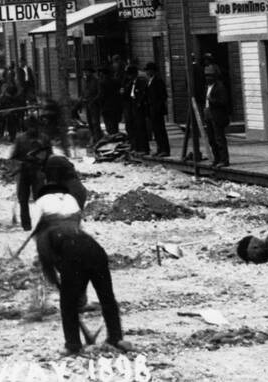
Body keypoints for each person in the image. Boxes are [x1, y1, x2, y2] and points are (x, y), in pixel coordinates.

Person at [32, 182, 132, 356]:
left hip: (73, 255)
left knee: (67, 304)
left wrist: (61, 285)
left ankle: (73, 345)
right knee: (107, 297)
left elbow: (48, 266)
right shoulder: (73, 220)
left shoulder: (44, 234)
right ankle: (116, 338)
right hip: (96, 249)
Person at [204, 67, 232, 168]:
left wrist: (212, 100)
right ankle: (217, 158)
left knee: (219, 138)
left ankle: (224, 159)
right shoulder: (207, 87)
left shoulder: (220, 87)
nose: (208, 78)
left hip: (217, 115)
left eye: (210, 76)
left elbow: (224, 101)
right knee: (211, 139)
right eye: (206, 75)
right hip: (208, 113)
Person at [141, 62, 170, 157]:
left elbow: (163, 95)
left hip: (157, 109)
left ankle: (165, 149)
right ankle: (159, 148)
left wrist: (157, 106)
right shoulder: (149, 81)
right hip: (151, 109)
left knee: (160, 129)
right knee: (156, 130)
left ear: (152, 71)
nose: (146, 72)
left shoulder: (158, 81)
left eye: (148, 70)